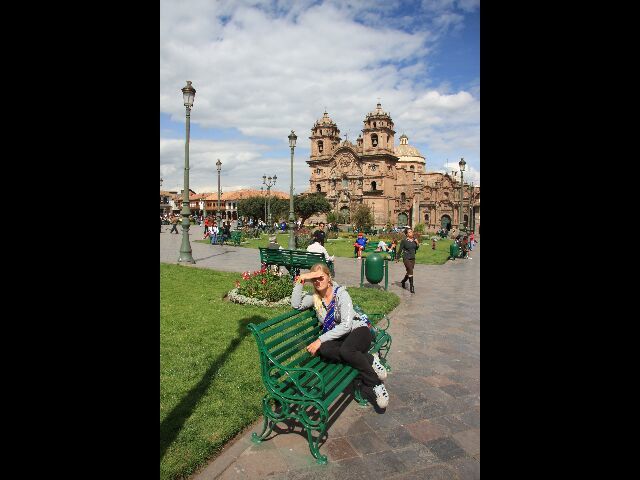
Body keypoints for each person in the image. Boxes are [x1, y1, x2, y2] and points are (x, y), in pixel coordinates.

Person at [292, 264, 389, 408]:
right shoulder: (315, 298)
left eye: (321, 278)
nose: (318, 282)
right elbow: (296, 305)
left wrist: (319, 339)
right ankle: (369, 358)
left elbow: (346, 326)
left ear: (329, 278)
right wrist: (302, 278)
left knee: (346, 351)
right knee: (324, 350)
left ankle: (376, 384)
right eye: (314, 280)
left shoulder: (341, 294)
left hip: (359, 331)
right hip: (340, 338)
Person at [399, 228, 419, 293]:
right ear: (407, 234)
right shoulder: (404, 241)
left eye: (411, 232)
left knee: (409, 272)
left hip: (413, 258)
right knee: (410, 270)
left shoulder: (414, 240)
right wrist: (397, 257)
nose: (411, 233)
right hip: (406, 258)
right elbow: (400, 250)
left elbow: (416, 248)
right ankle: (411, 287)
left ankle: (403, 281)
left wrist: (417, 243)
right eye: (410, 232)